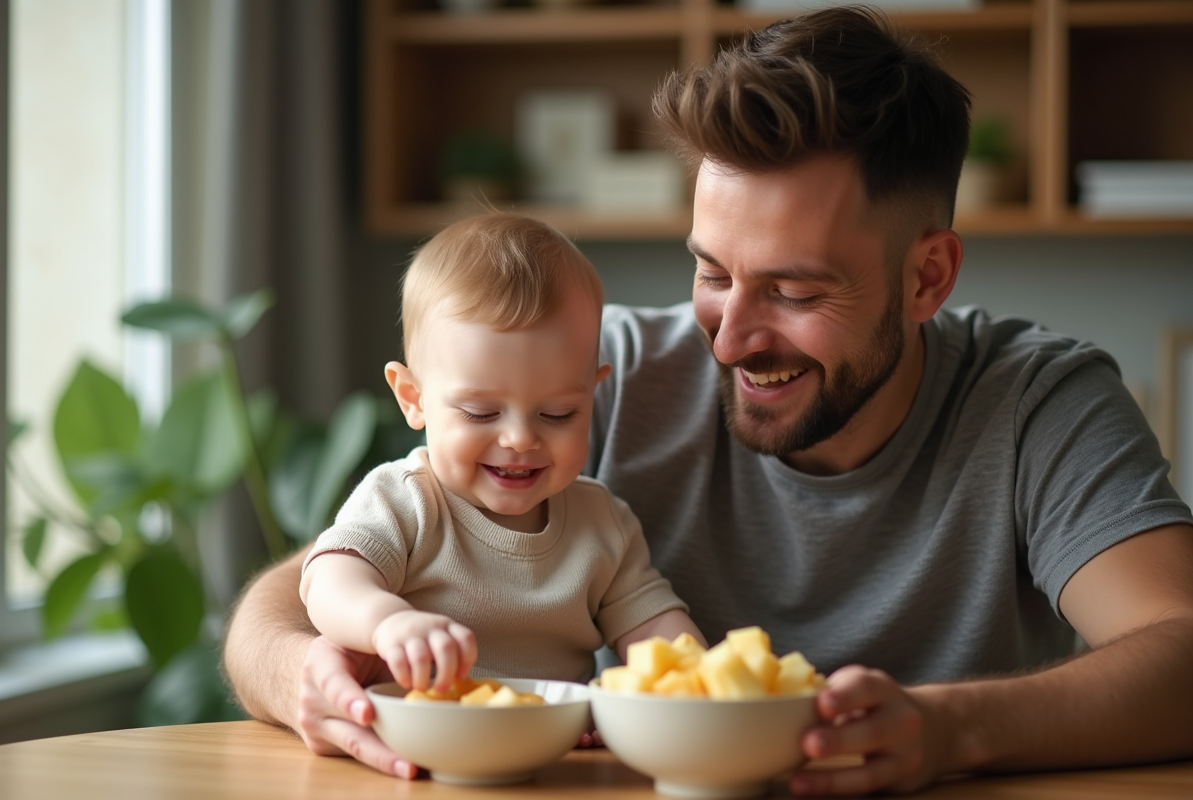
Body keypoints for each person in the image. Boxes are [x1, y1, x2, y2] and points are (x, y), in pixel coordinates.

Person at [222, 6, 1193, 794]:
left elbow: (1180, 650)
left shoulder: (1037, 401)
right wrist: (303, 676)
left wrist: (951, 726)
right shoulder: (587, 379)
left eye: (796, 291)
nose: (728, 338)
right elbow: (304, 585)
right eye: (713, 271)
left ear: (926, 278)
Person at [298, 212, 703, 706]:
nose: (518, 438)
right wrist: (387, 622)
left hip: (555, 749)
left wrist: (699, 681)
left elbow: (654, 627)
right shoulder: (406, 500)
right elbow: (329, 579)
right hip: (428, 736)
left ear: (592, 397)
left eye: (558, 413)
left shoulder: (602, 524)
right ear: (413, 398)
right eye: (481, 412)